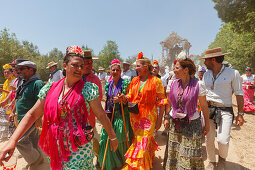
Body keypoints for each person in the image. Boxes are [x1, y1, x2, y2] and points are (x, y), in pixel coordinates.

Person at [0, 46, 118, 170]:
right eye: (75, 65)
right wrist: (12, 140)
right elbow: (32, 114)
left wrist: (112, 136)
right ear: (65, 65)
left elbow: (101, 115)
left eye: (81, 66)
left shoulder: (88, 89)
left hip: (79, 148)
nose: (79, 69)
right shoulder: (49, 88)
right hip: (55, 147)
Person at [119, 52, 167, 170]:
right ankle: (148, 160)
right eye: (136, 66)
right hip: (135, 117)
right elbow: (130, 95)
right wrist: (123, 98)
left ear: (146, 67)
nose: (136, 68)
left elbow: (162, 101)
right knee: (139, 140)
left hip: (149, 117)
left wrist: (160, 119)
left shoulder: (156, 81)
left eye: (138, 66)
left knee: (143, 141)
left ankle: (139, 167)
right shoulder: (135, 80)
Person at [163, 58, 210, 169]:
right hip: (175, 124)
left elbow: (204, 106)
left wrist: (207, 124)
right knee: (175, 153)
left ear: (186, 70)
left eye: (177, 68)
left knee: (189, 156)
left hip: (192, 125)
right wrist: (166, 117)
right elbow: (168, 103)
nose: (174, 70)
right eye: (174, 68)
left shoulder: (198, 84)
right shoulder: (172, 83)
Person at [202, 47, 244, 169]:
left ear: (213, 60)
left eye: (206, 60)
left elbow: (239, 93)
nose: (204, 63)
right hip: (209, 109)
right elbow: (203, 93)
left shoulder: (233, 73)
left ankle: (222, 159)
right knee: (209, 138)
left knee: (223, 140)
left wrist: (240, 114)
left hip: (225, 110)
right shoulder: (206, 74)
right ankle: (212, 161)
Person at [99, 59, 133, 170]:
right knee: (106, 137)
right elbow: (107, 100)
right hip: (109, 115)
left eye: (117, 70)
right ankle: (110, 163)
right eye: (113, 70)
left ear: (120, 71)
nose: (115, 71)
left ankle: (121, 163)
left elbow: (129, 99)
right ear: (110, 71)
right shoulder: (108, 84)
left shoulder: (125, 83)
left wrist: (122, 99)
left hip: (121, 115)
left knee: (119, 137)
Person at [82, 50, 103, 158]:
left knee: (93, 140)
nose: (90, 65)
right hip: (75, 120)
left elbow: (98, 99)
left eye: (91, 62)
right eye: (87, 63)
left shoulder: (95, 79)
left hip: (89, 118)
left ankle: (99, 159)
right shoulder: (74, 77)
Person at [0, 64, 15, 139]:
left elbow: (11, 92)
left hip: (11, 100)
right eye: (5, 73)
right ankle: (7, 133)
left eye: (7, 72)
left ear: (12, 73)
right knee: (5, 117)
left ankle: (12, 134)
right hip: (6, 100)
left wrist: (2, 90)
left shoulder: (13, 80)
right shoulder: (6, 81)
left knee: (11, 117)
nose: (6, 74)